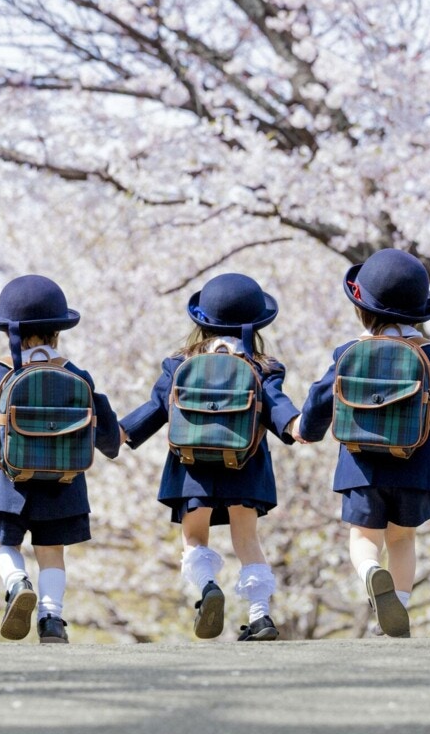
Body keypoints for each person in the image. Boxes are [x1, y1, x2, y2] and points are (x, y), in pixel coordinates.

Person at [297, 249, 430, 637]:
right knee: (402, 537)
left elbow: (320, 397)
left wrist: (307, 430)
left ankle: (370, 572)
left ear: (362, 309)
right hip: (417, 469)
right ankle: (396, 606)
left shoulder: (349, 352)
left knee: (364, 536)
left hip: (360, 467)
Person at [120, 273, 301, 641]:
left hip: (192, 467)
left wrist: (122, 431)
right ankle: (260, 614)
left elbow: (157, 406)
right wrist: (294, 426)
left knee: (194, 538)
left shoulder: (180, 362)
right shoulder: (263, 365)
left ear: (202, 322)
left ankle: (208, 589)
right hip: (245, 461)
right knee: (247, 539)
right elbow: (275, 406)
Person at [0, 274, 121, 644]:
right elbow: (105, 427)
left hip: (6, 482)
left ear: (7, 332)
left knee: (4, 546)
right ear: (57, 332)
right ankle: (52, 620)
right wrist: (114, 443)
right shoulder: (74, 374)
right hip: (63, 484)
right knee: (51, 553)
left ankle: (16, 584)